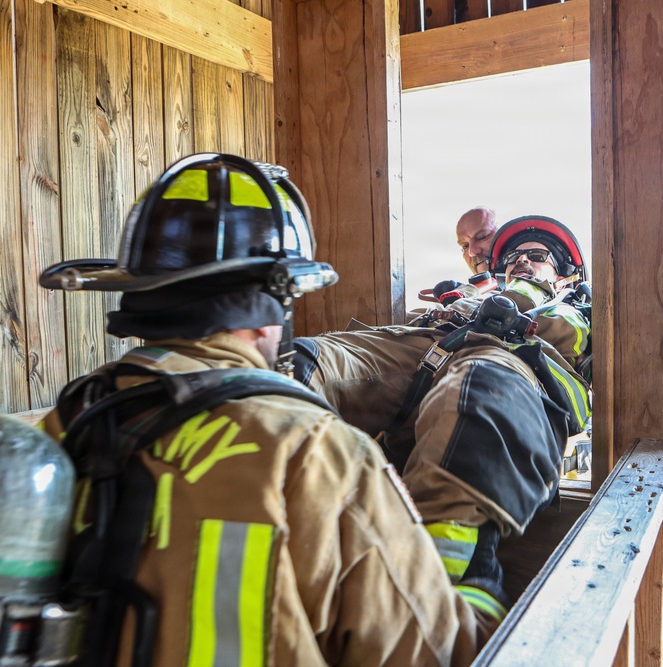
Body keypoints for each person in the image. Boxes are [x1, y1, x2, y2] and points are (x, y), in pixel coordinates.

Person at [37, 153, 502, 666]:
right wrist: (480, 580)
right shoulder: (314, 452)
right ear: (270, 308)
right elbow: (437, 653)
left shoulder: (69, 422)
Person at [294, 215, 592, 605]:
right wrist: (461, 302)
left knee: (477, 394)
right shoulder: (473, 291)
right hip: (434, 342)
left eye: (536, 255)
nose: (521, 261)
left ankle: (445, 595)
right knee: (298, 362)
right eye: (514, 256)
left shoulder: (581, 305)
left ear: (567, 274)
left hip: (512, 356)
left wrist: (521, 300)